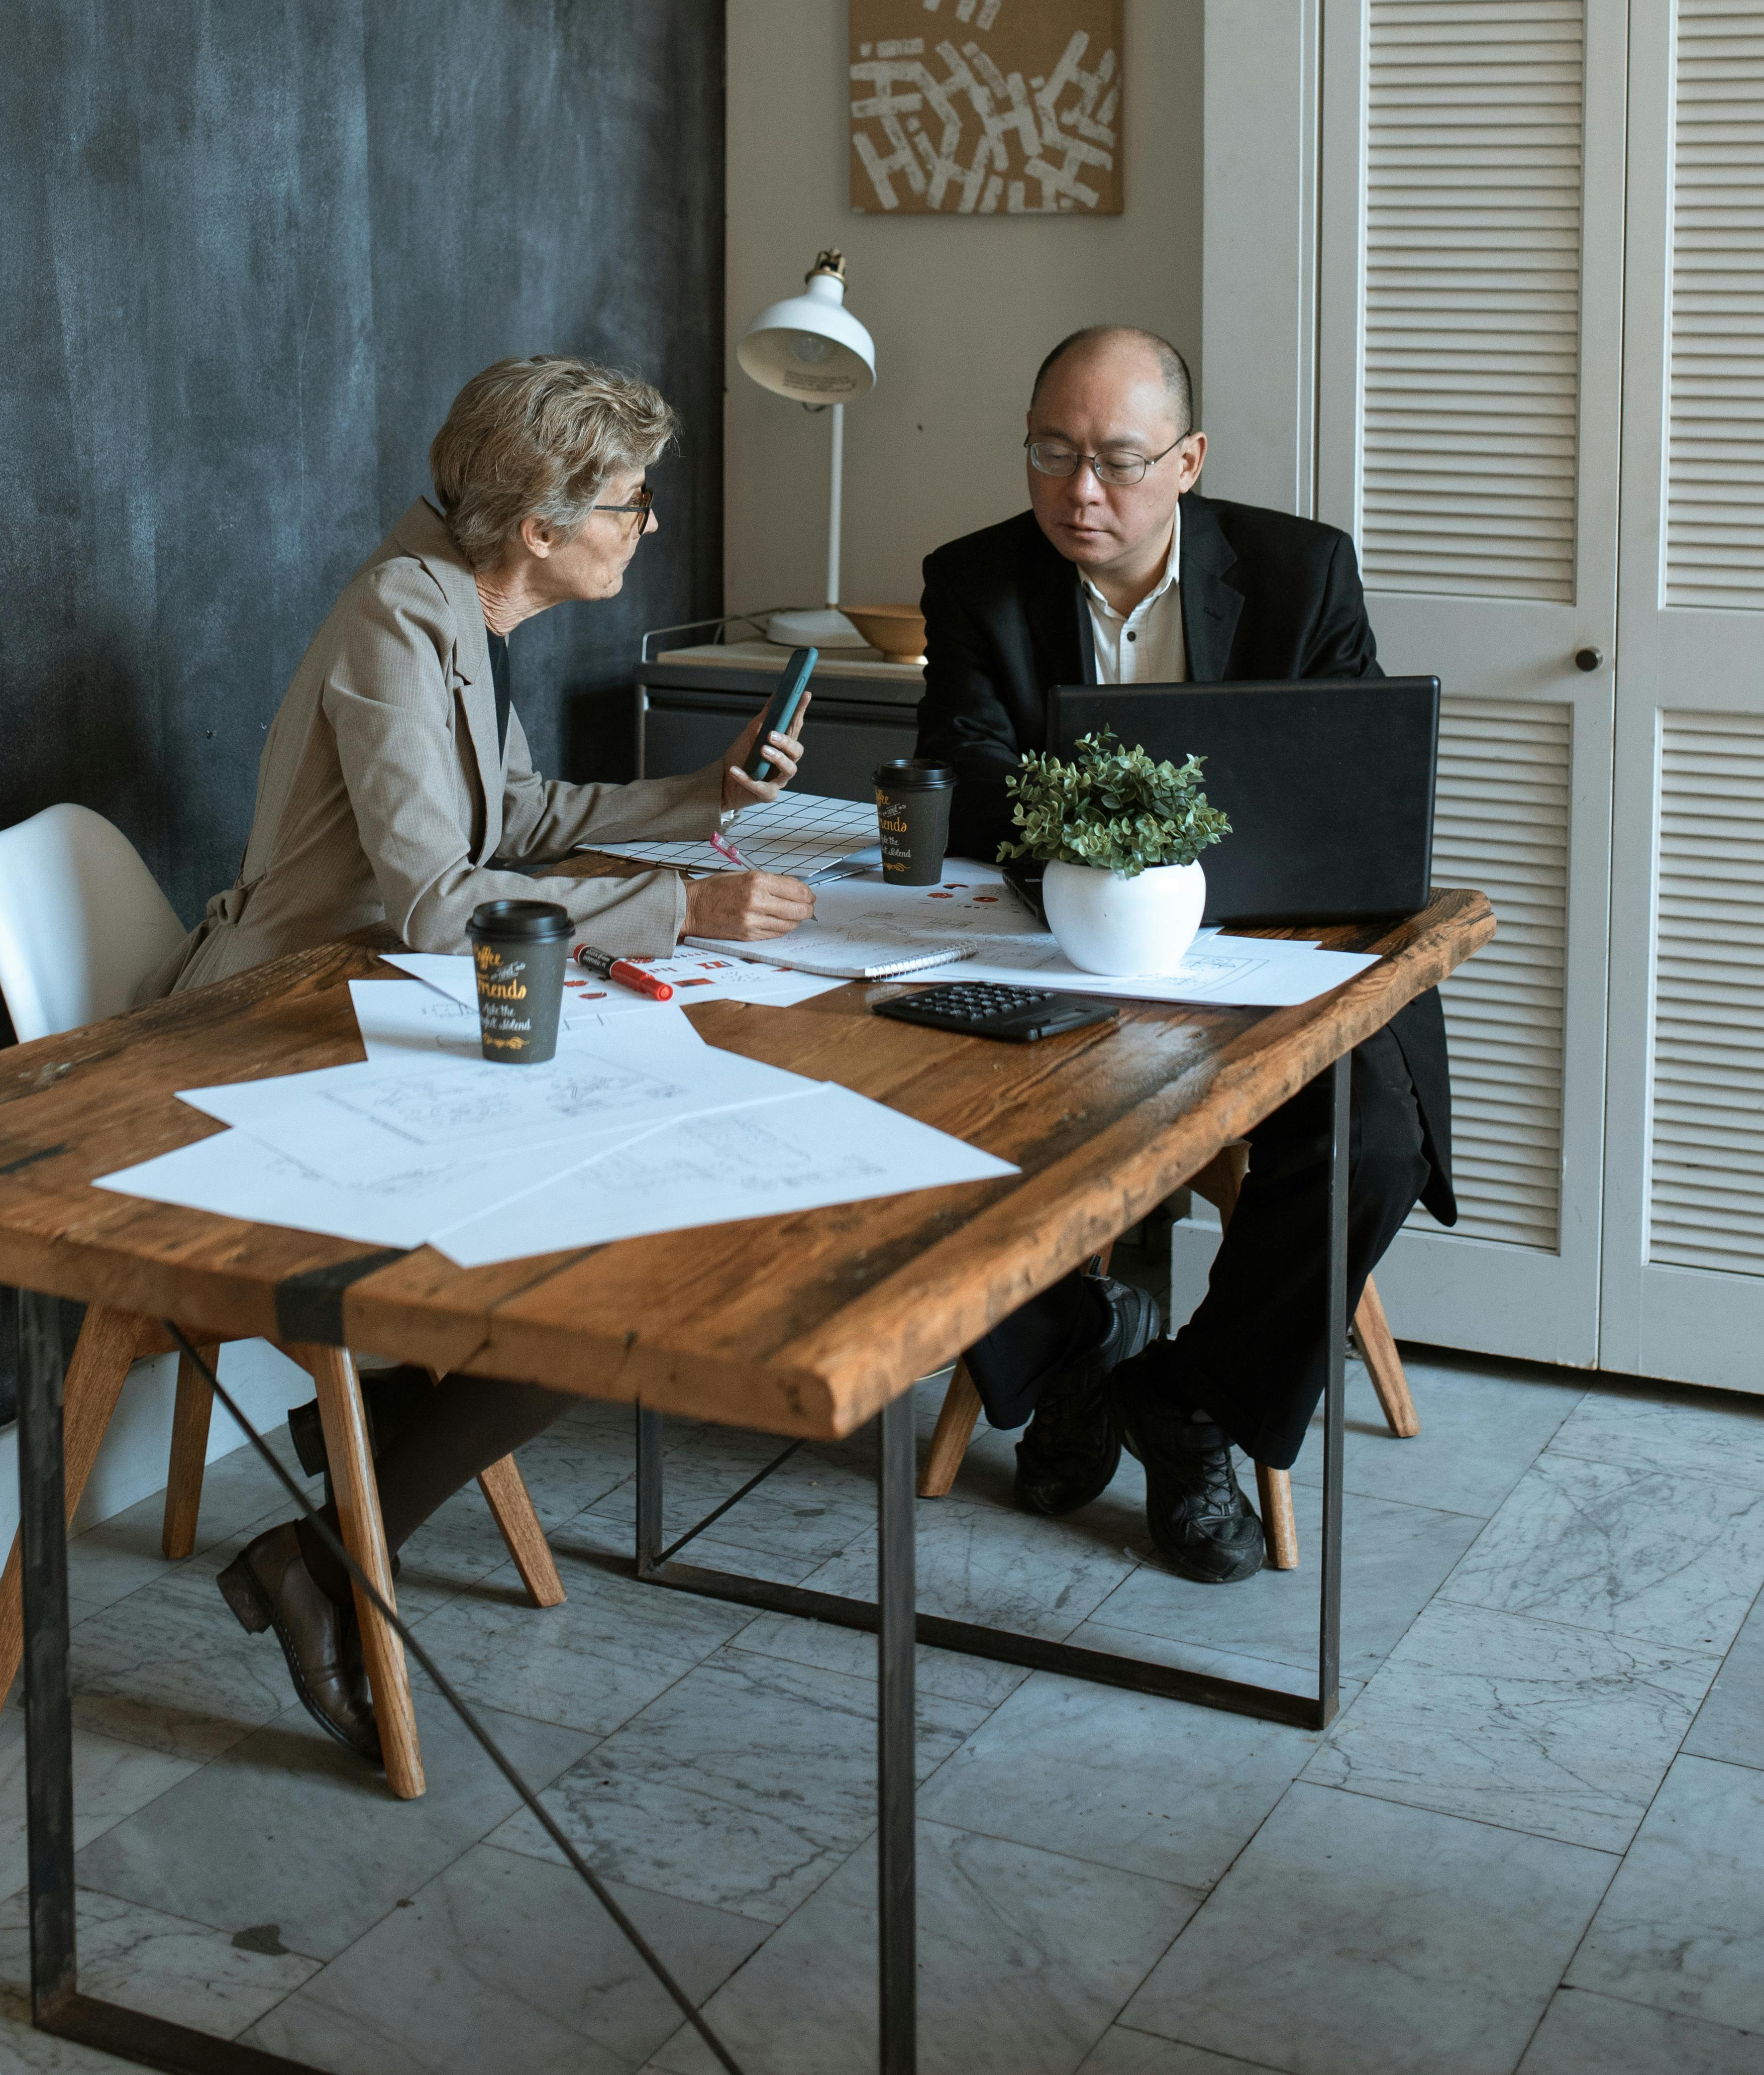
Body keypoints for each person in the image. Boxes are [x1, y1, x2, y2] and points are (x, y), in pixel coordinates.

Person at [168, 354, 816, 1754]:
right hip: (283, 1022)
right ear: (540, 526)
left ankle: (342, 1514)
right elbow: (436, 898)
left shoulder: (457, 602)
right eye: (631, 504)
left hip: (381, 1003)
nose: (644, 527)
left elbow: (510, 816)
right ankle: (338, 1535)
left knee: (622, 1237)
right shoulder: (399, 617)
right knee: (608, 1277)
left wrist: (704, 793)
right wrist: (681, 901)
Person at [915, 322, 1453, 1584]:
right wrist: (1117, 840)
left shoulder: (1300, 572)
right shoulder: (974, 577)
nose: (1078, 492)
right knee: (910, 1098)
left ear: (1189, 459)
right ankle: (1069, 1357)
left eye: (1116, 460)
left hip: (1280, 940)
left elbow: (1343, 777)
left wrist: (1115, 811)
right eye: (1050, 454)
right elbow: (969, 776)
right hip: (1066, 942)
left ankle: (1195, 1401)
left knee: (1374, 1140)